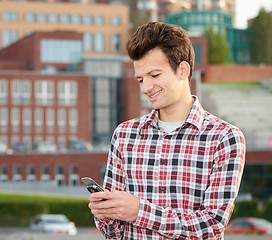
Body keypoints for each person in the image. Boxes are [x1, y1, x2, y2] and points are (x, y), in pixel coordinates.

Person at [88, 22, 245, 239]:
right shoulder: (124, 135)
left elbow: (211, 225)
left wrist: (139, 211)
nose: (145, 88)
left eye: (154, 75)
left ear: (183, 70)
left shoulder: (225, 138)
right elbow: (114, 233)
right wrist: (105, 214)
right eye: (141, 79)